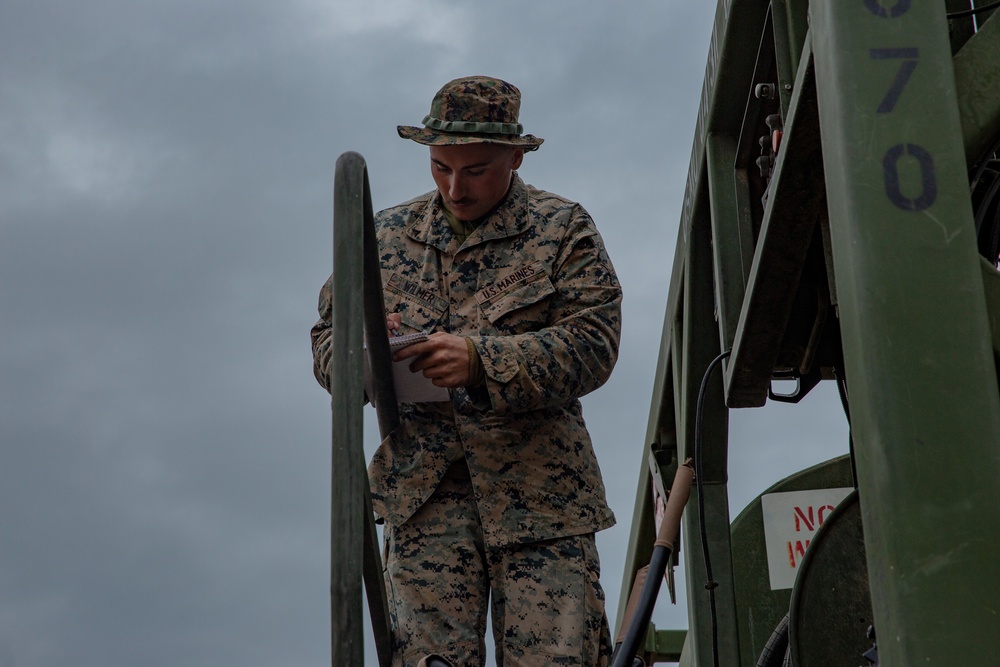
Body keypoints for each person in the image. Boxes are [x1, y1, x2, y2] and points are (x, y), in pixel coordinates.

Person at [311, 76, 622, 667]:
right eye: (440, 168)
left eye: (476, 169)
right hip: (424, 500)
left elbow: (594, 343)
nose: (456, 188)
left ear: (515, 155)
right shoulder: (380, 238)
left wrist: (482, 361)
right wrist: (366, 356)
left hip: (541, 500)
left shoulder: (563, 229)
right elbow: (327, 342)